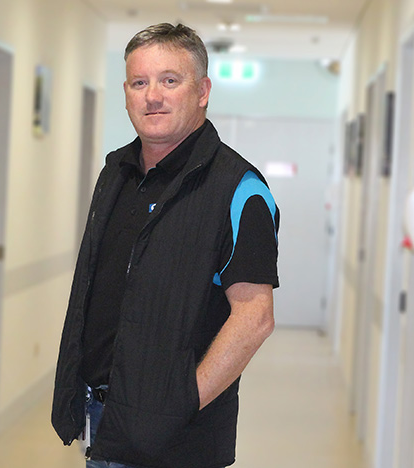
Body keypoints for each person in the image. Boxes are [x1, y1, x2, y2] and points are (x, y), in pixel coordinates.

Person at [51, 23, 279, 468]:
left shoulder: (238, 188)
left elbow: (255, 316)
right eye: (140, 82)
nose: (152, 95)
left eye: (169, 80)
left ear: (202, 91)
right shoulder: (116, 174)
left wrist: (179, 404)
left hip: (177, 446)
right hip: (104, 426)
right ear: (126, 93)